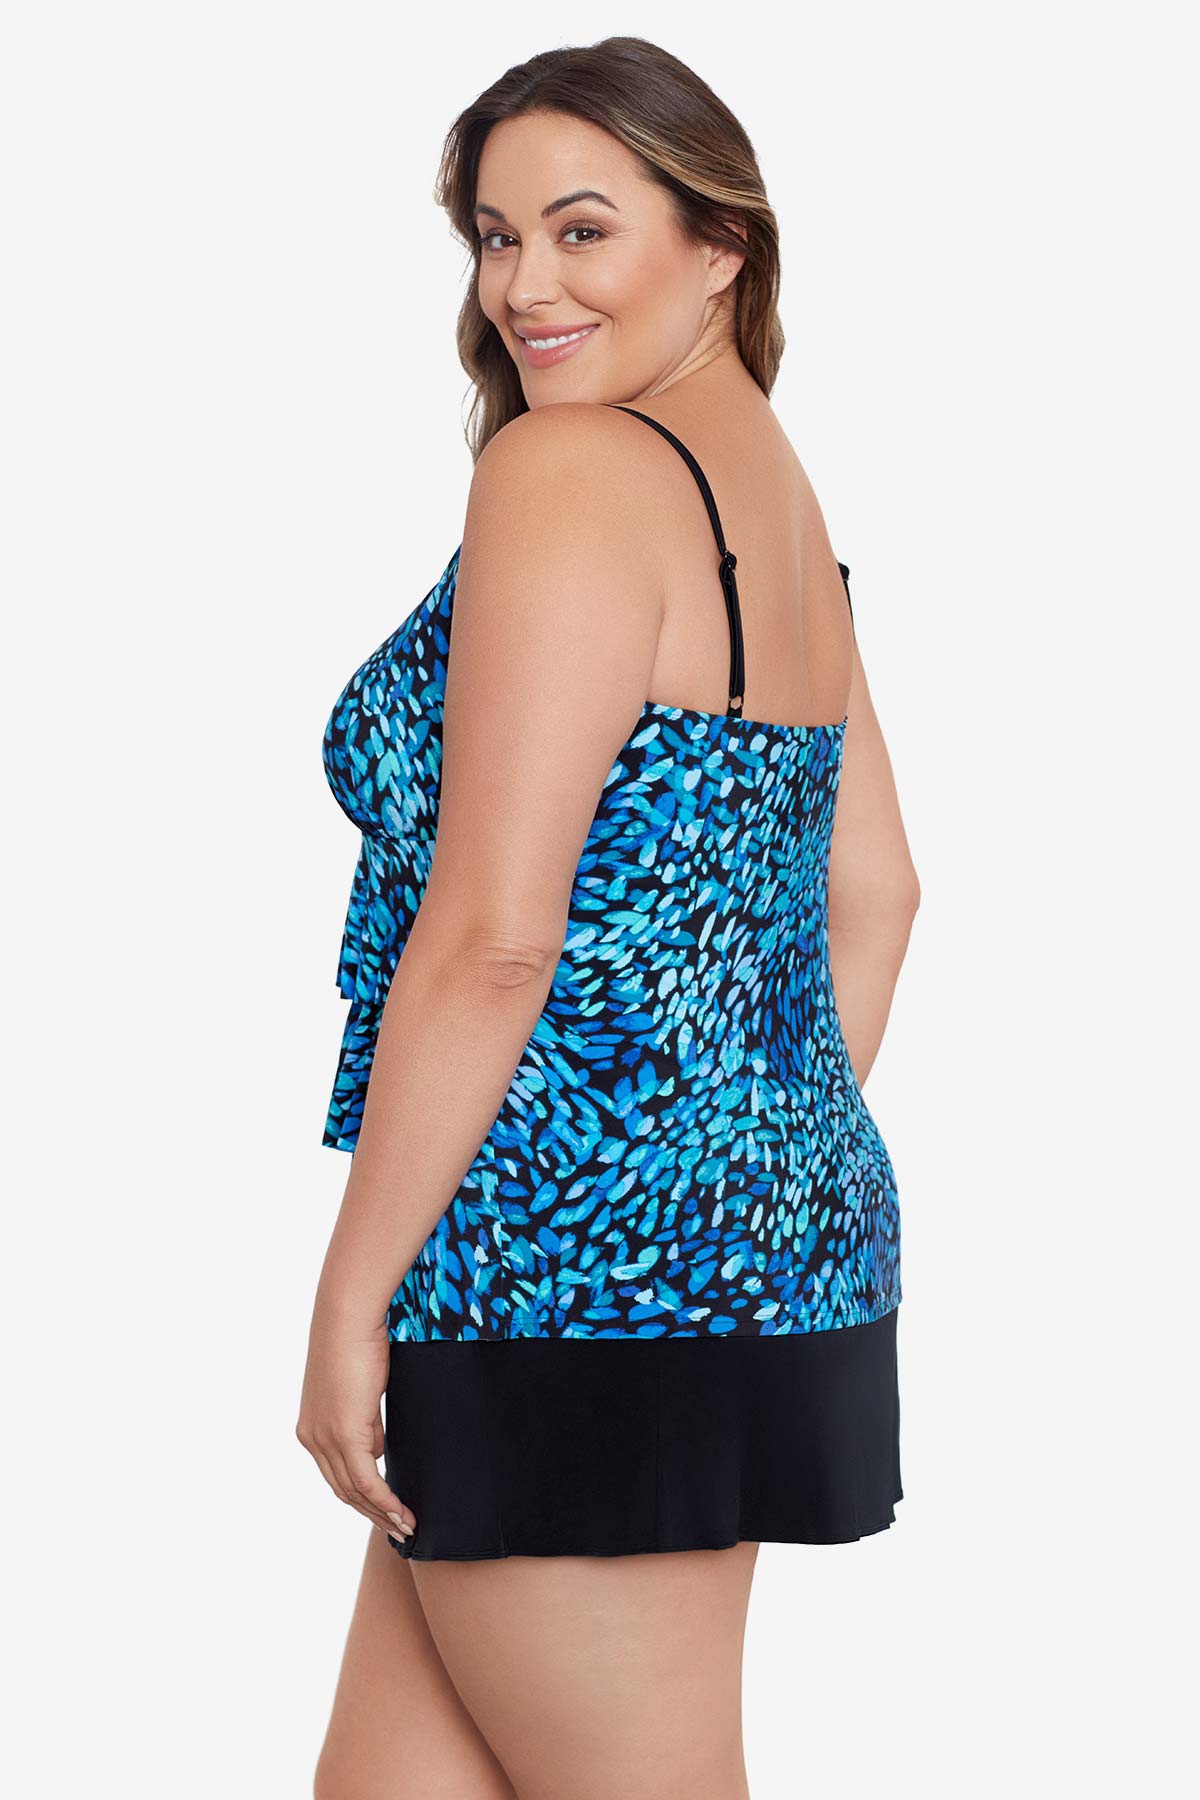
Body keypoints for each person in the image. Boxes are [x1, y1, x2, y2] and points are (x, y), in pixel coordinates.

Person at [299, 36, 920, 1800]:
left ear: (721, 245)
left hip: (552, 1289)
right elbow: (877, 892)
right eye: (496, 238)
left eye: (582, 230)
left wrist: (349, 1297)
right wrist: (735, 1176)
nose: (524, 288)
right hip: (722, 1260)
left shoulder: (569, 476)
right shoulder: (772, 497)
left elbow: (497, 938)